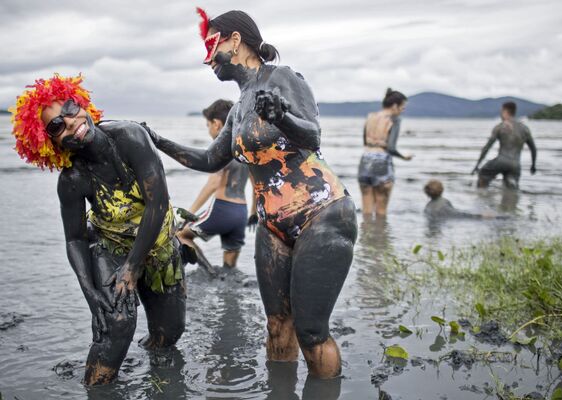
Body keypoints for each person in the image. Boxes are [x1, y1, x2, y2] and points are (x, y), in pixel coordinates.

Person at [145, 8, 358, 379]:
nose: (207, 57)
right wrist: (156, 141)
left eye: (212, 45)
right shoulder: (240, 105)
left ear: (235, 40)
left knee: (311, 331)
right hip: (272, 223)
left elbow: (312, 135)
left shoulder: (283, 77)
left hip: (320, 212)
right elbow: (211, 159)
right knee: (277, 323)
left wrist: (282, 117)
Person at [10, 75, 186, 385]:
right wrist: (91, 294)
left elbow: (158, 204)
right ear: (48, 143)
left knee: (169, 333)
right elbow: (75, 239)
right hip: (111, 245)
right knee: (116, 324)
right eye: (55, 127)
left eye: (69, 107)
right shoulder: (72, 180)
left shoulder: (130, 137)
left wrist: (133, 268)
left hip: (157, 241)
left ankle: (158, 380)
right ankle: (98, 386)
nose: (69, 122)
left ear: (81, 102)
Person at [176, 99, 251, 269]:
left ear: (216, 124)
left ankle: (209, 273)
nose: (208, 129)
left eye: (208, 125)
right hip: (241, 213)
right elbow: (255, 181)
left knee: (181, 235)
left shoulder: (221, 147)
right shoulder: (243, 147)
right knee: (230, 267)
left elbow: (213, 183)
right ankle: (226, 284)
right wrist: (254, 212)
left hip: (222, 209)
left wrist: (189, 213)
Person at [358, 88, 413, 217]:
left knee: (366, 211)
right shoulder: (395, 120)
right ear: (395, 106)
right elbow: (391, 148)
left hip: (365, 160)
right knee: (381, 212)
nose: (402, 110)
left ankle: (367, 235)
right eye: (402, 107)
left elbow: (365, 142)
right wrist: (404, 157)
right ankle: (380, 236)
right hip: (381, 162)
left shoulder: (370, 117)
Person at [471, 101, 537, 189]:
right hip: (515, 165)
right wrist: (533, 165)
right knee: (511, 185)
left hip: (501, 161)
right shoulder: (524, 129)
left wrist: (477, 165)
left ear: (505, 111)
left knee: (483, 174)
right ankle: (510, 193)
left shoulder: (500, 127)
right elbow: (533, 149)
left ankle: (483, 196)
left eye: (502, 111)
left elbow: (487, 147)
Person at [424, 179, 493, 219]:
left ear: (427, 193)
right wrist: (480, 216)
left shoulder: (428, 206)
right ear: (442, 190)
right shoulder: (444, 202)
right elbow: (458, 214)